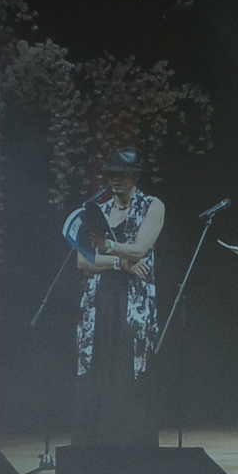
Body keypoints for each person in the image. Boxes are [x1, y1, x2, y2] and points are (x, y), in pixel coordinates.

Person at [71, 146, 165, 447]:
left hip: (133, 302)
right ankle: (95, 446)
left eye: (121, 175)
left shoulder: (152, 206)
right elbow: (82, 261)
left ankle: (131, 445)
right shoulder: (96, 209)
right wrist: (118, 262)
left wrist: (108, 246)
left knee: (128, 370)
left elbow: (140, 250)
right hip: (99, 303)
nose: (115, 181)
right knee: (98, 368)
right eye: (111, 175)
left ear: (134, 176)